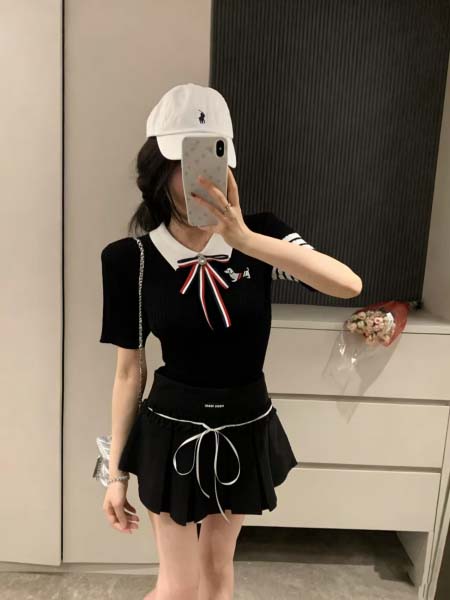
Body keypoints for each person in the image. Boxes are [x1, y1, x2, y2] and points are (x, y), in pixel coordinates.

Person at [99, 83, 362, 600]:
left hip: (244, 423)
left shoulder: (262, 239)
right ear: (157, 171)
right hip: (171, 431)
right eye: (182, 162)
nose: (198, 176)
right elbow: (130, 372)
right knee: (179, 587)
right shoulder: (130, 260)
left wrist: (243, 240)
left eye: (209, 158)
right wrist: (115, 475)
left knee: (218, 573)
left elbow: (346, 284)